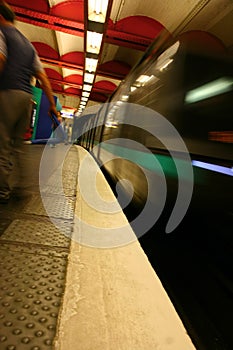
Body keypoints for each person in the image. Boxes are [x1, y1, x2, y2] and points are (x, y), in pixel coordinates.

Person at [0, 1, 58, 203]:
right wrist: (51, 105)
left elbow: (1, 59)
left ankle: (2, 192)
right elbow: (43, 79)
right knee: (18, 146)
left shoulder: (1, 33)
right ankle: (22, 188)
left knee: (2, 146)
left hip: (7, 93)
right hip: (26, 98)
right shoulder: (29, 46)